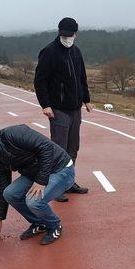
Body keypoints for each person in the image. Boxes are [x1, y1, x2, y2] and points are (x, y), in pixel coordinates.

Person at [0, 125, 75, 245]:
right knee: (9, 193)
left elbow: (46, 148)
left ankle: (54, 225)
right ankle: (40, 223)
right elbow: (2, 187)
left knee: (33, 201)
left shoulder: (14, 134)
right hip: (35, 173)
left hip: (60, 169)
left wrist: (41, 181)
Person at [34, 17, 92, 202]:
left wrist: (86, 100)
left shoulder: (76, 52)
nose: (67, 38)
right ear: (59, 33)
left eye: (70, 35)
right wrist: (45, 105)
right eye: (63, 35)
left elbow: (82, 77)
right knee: (59, 149)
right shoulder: (49, 52)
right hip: (58, 109)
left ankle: (68, 182)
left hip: (75, 108)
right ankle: (56, 187)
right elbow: (40, 80)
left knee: (73, 147)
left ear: (76, 34)